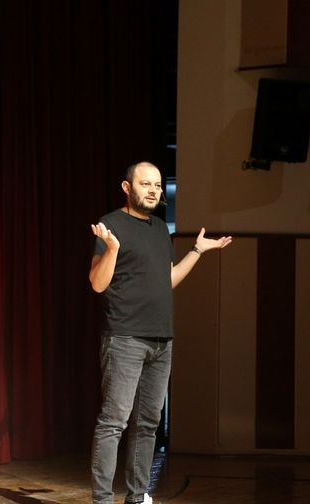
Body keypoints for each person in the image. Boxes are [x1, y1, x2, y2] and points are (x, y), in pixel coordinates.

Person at [88, 161, 232, 504]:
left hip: (161, 340)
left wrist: (197, 251)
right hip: (124, 338)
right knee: (114, 422)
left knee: (148, 424)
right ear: (127, 188)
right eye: (145, 184)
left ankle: (137, 497)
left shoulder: (158, 230)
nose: (153, 190)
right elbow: (97, 284)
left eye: (157, 185)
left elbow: (166, 282)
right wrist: (112, 249)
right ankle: (102, 500)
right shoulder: (111, 225)